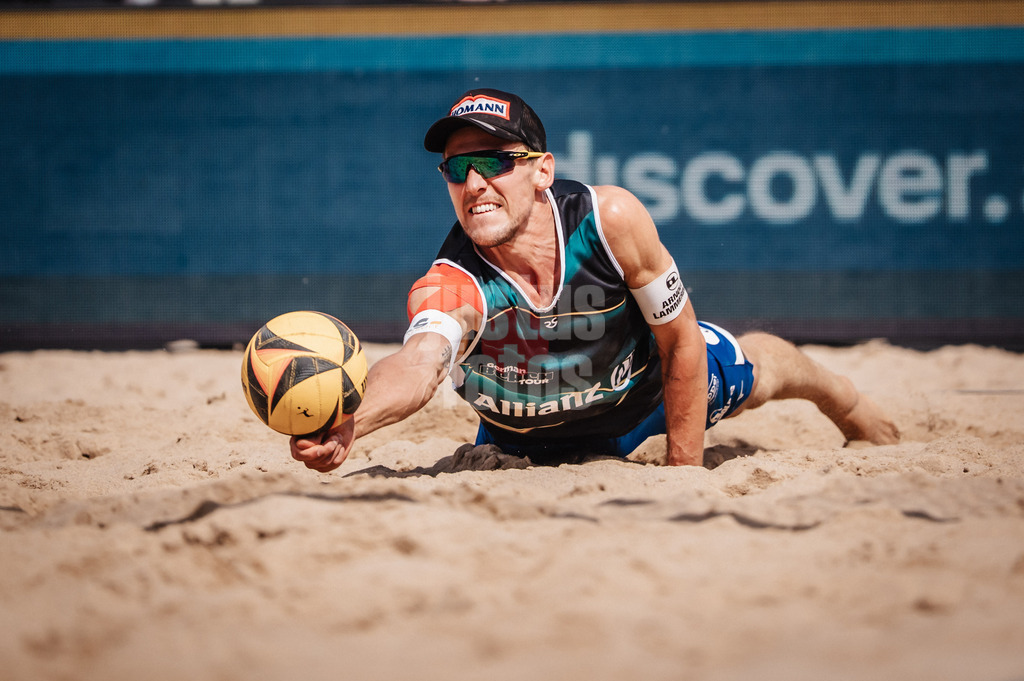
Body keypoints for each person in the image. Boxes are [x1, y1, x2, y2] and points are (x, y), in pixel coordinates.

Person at [292, 88, 899, 472]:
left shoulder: (609, 220)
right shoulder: (450, 282)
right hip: (523, 438)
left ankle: (842, 397)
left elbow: (679, 340)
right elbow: (420, 363)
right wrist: (350, 421)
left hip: (641, 404)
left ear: (541, 172)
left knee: (759, 367)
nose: (474, 183)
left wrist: (684, 472)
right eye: (457, 167)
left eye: (494, 162)